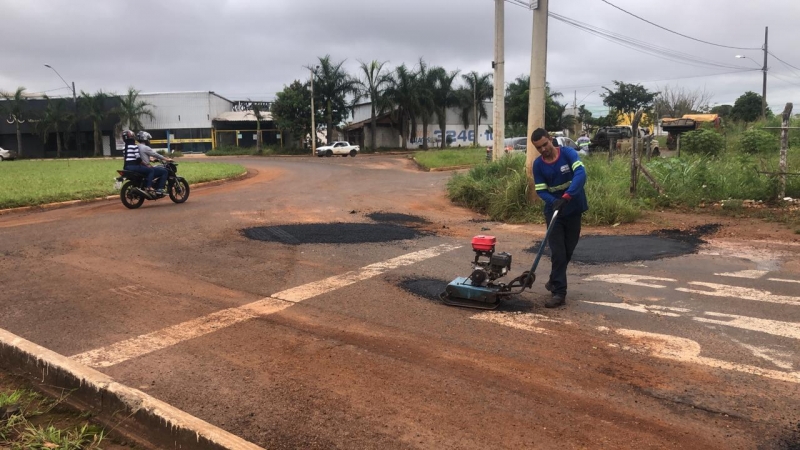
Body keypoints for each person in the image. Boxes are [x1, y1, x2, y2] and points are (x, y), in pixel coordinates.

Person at [531, 128, 588, 308]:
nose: (543, 150)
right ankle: (559, 292)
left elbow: (580, 175)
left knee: (568, 250)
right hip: (554, 212)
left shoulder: (568, 154)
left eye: (544, 144)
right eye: (538, 148)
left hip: (573, 208)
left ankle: (553, 279)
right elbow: (541, 189)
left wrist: (567, 197)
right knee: (558, 252)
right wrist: (555, 201)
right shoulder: (538, 165)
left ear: (550, 139)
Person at [136, 131, 172, 196]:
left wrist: (150, 159)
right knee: (164, 171)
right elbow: (155, 154)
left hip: (139, 167)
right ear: (145, 139)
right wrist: (166, 159)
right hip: (145, 167)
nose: (149, 141)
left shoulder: (137, 147)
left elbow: (141, 156)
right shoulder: (145, 147)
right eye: (148, 139)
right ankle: (160, 189)